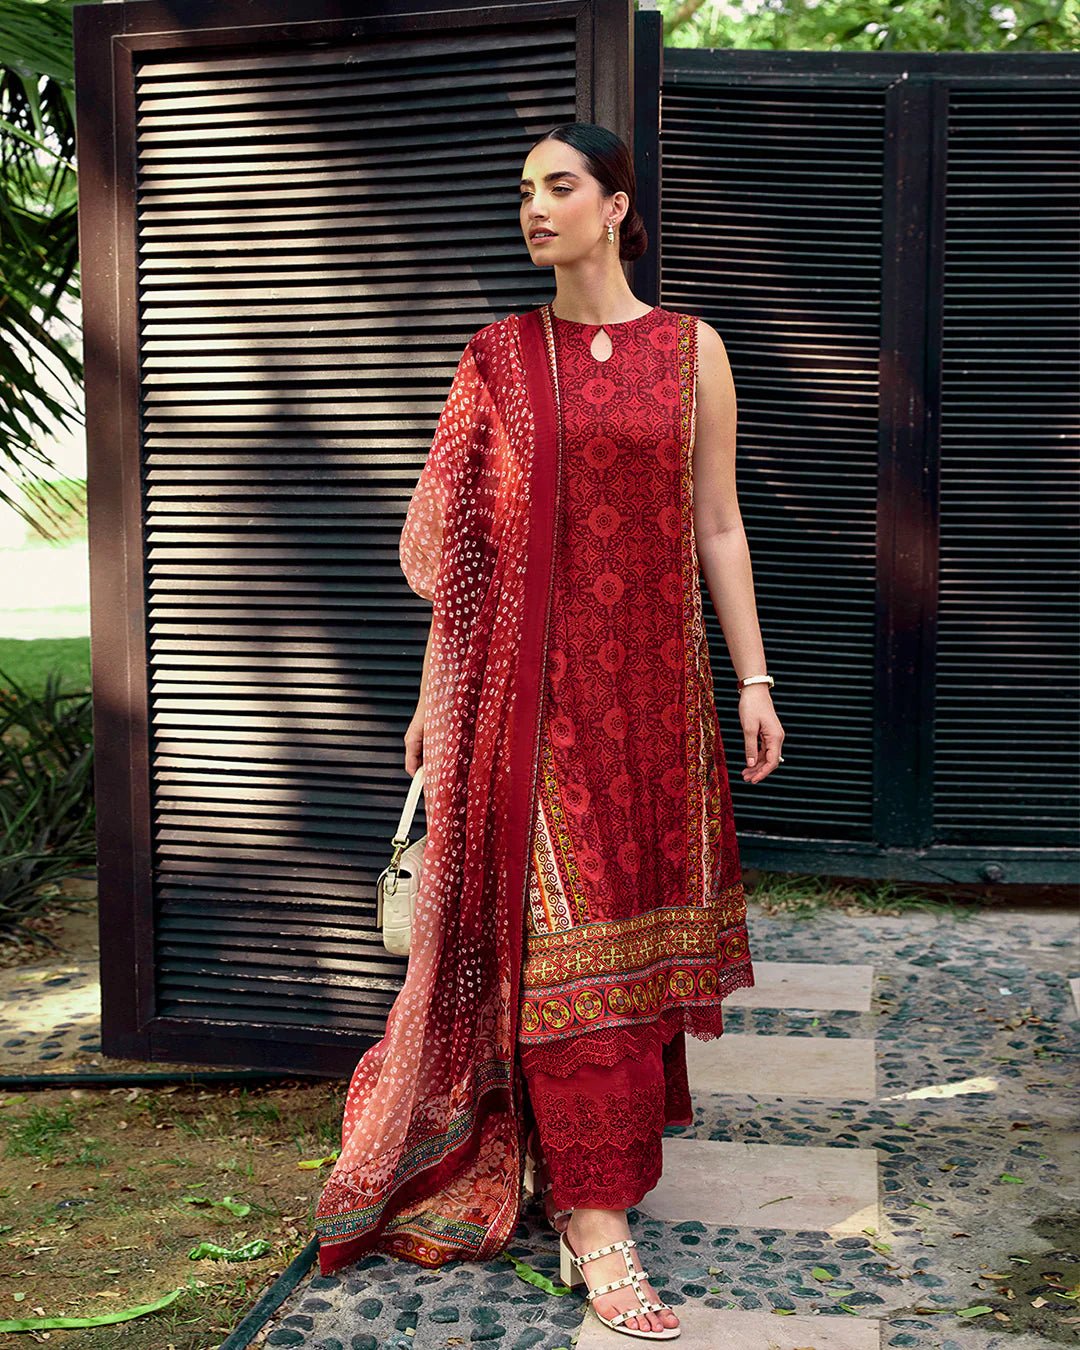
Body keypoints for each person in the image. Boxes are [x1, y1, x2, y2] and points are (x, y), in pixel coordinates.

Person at [313, 123, 783, 1342]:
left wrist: (753, 681)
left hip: (655, 696)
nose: (534, 207)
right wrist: (431, 699)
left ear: (616, 205)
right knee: (564, 943)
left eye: (559, 187)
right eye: (524, 191)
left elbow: (719, 525)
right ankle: (595, 1221)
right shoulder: (499, 357)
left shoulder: (693, 352)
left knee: (625, 935)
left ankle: (600, 1167)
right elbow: (462, 558)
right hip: (525, 702)